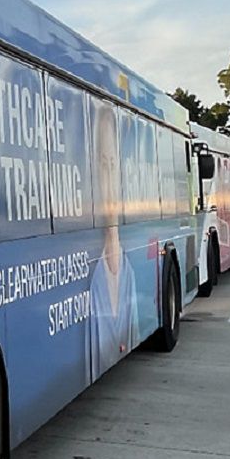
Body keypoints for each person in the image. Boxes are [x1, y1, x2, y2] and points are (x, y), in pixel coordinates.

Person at [89, 102, 138, 382]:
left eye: (112, 166)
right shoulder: (91, 276)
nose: (108, 180)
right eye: (101, 166)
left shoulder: (129, 274)